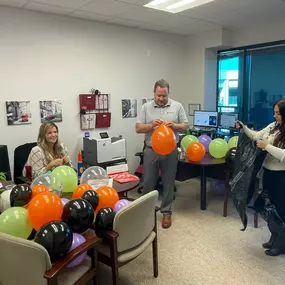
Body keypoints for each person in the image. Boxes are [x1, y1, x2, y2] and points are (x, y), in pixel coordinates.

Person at [136, 79, 189, 229]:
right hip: (151, 150)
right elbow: (138, 128)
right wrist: (151, 125)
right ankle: (145, 211)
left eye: (164, 96)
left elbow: (186, 127)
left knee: (168, 182)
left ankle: (166, 212)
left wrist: (175, 126)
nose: (161, 98)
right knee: (148, 183)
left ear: (168, 93)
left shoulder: (177, 106)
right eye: (159, 95)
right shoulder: (146, 107)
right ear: (154, 92)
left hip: (171, 151)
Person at [235, 99, 285, 256]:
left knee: (280, 210)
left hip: (281, 176)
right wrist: (243, 127)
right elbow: (256, 135)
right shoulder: (272, 127)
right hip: (267, 172)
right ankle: (274, 236)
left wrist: (267, 146)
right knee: (269, 208)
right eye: (275, 112)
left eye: (278, 113)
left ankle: (281, 243)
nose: (274, 115)